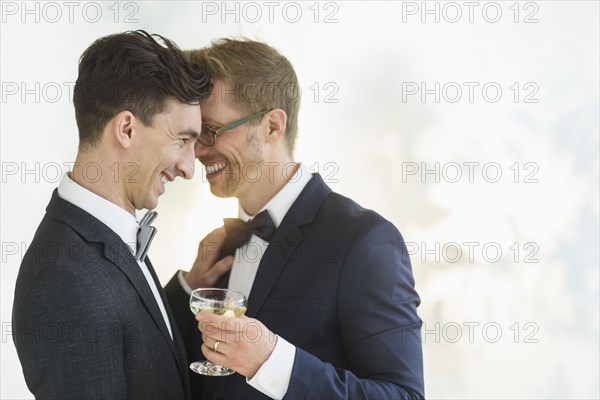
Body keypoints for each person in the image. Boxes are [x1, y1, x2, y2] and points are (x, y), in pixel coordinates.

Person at [164, 39, 425, 399]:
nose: (198, 153)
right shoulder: (219, 244)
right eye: (192, 136)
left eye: (211, 131)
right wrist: (188, 286)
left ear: (272, 126)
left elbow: (403, 395)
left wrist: (271, 362)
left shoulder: (365, 240)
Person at [12, 30, 214, 399]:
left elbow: (136, 344)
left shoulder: (106, 233)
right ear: (126, 128)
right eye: (182, 140)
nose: (189, 168)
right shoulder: (62, 280)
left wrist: (187, 288)